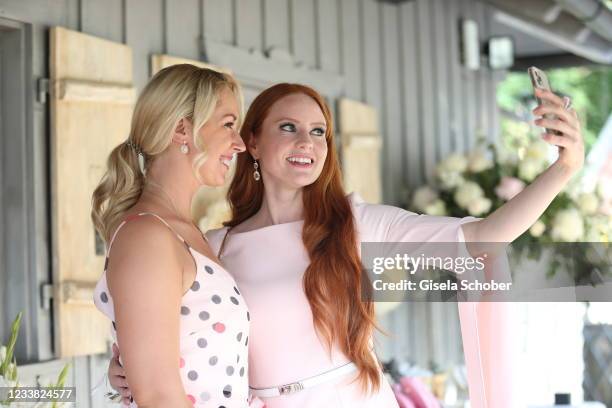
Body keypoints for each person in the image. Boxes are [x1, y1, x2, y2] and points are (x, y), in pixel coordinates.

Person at [108, 82, 584, 407]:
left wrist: (563, 167)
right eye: (288, 127)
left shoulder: (357, 224)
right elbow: (182, 337)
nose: (308, 143)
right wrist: (124, 369)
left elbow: (486, 236)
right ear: (251, 141)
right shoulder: (215, 247)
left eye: (319, 132)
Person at [92, 64, 254, 408]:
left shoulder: (190, 234)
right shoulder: (147, 237)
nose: (239, 144)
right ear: (182, 130)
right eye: (228, 125)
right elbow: (157, 395)